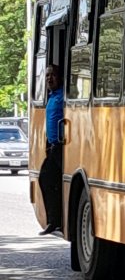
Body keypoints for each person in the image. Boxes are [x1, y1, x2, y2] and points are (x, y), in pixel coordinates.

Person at [38, 64, 64, 235]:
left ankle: (56, 220)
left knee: (49, 179)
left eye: (53, 75)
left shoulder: (63, 96)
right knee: (46, 179)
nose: (49, 79)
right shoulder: (52, 97)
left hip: (64, 146)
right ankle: (54, 220)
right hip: (53, 146)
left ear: (60, 77)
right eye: (47, 76)